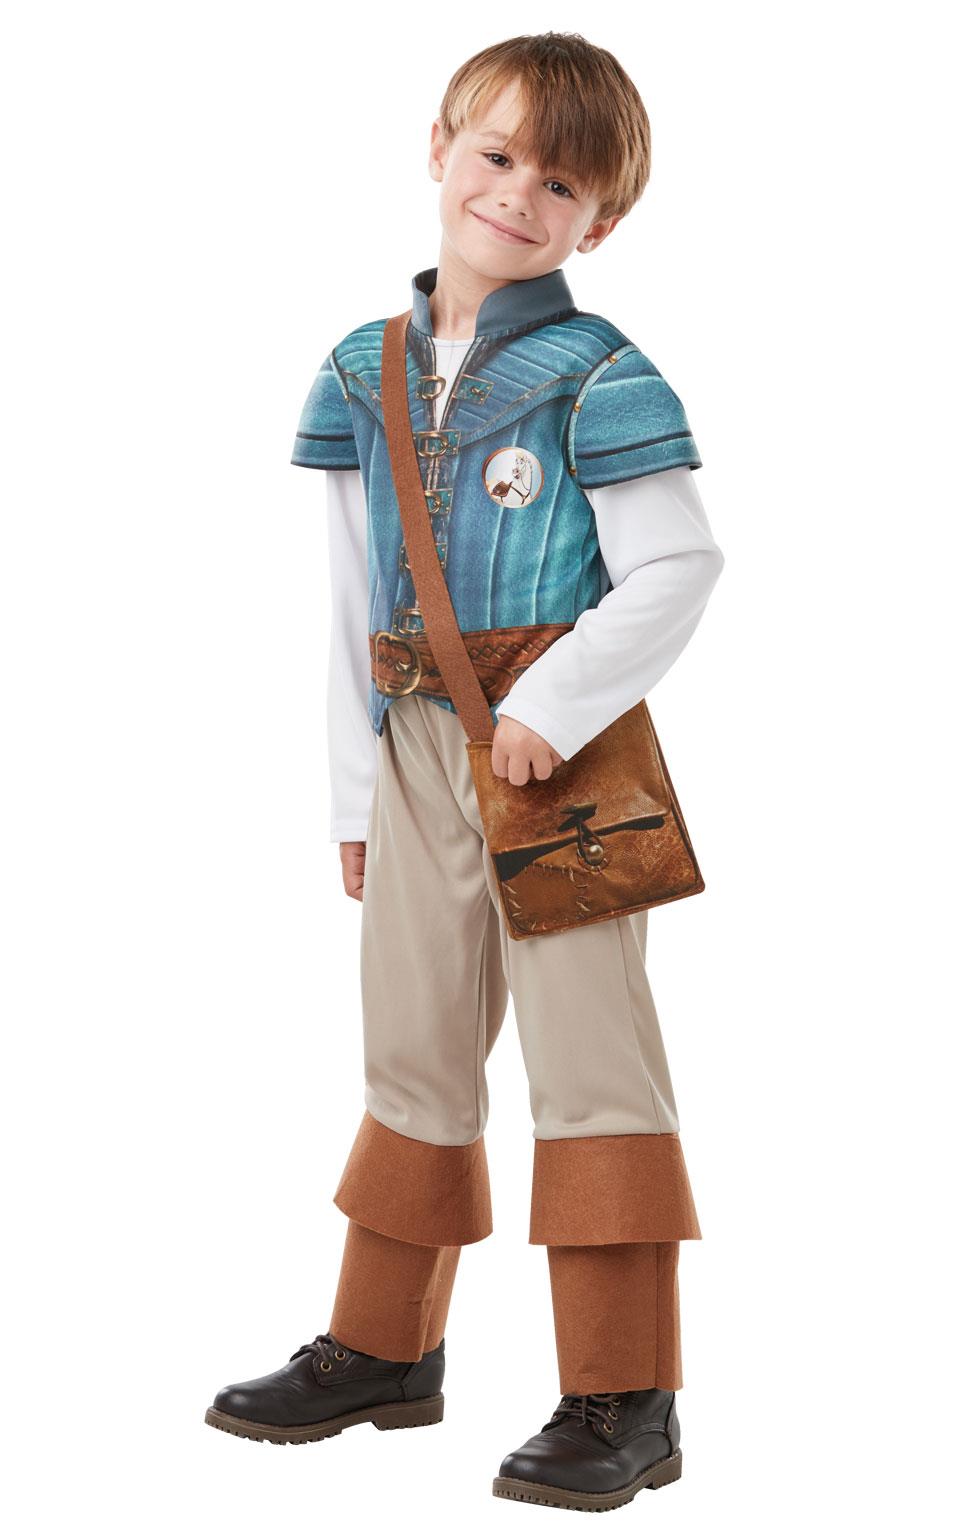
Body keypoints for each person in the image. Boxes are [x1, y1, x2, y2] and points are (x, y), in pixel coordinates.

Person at [205, 31, 725, 1515]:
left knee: (590, 1058)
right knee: (412, 1040)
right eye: (497, 158)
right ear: (439, 150)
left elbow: (679, 565)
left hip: (565, 758)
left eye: (560, 185)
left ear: (599, 222)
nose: (517, 196)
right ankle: (384, 1345)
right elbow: (349, 601)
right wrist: (355, 799)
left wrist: (552, 704)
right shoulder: (358, 369)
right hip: (418, 747)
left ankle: (627, 1395)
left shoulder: (600, 372)